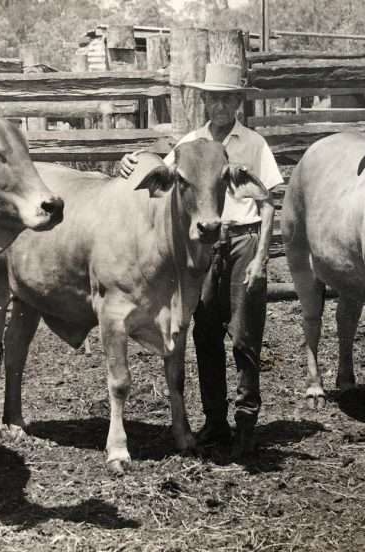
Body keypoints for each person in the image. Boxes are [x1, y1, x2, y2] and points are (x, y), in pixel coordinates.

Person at [120, 63, 283, 457]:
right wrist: (130, 159)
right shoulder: (189, 143)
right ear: (204, 101)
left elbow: (268, 203)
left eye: (228, 97)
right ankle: (215, 422)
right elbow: (166, 174)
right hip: (202, 250)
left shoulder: (254, 144)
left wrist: (261, 257)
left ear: (238, 102)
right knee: (205, 333)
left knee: (244, 336)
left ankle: (246, 421)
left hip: (242, 241)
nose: (221, 105)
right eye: (214, 98)